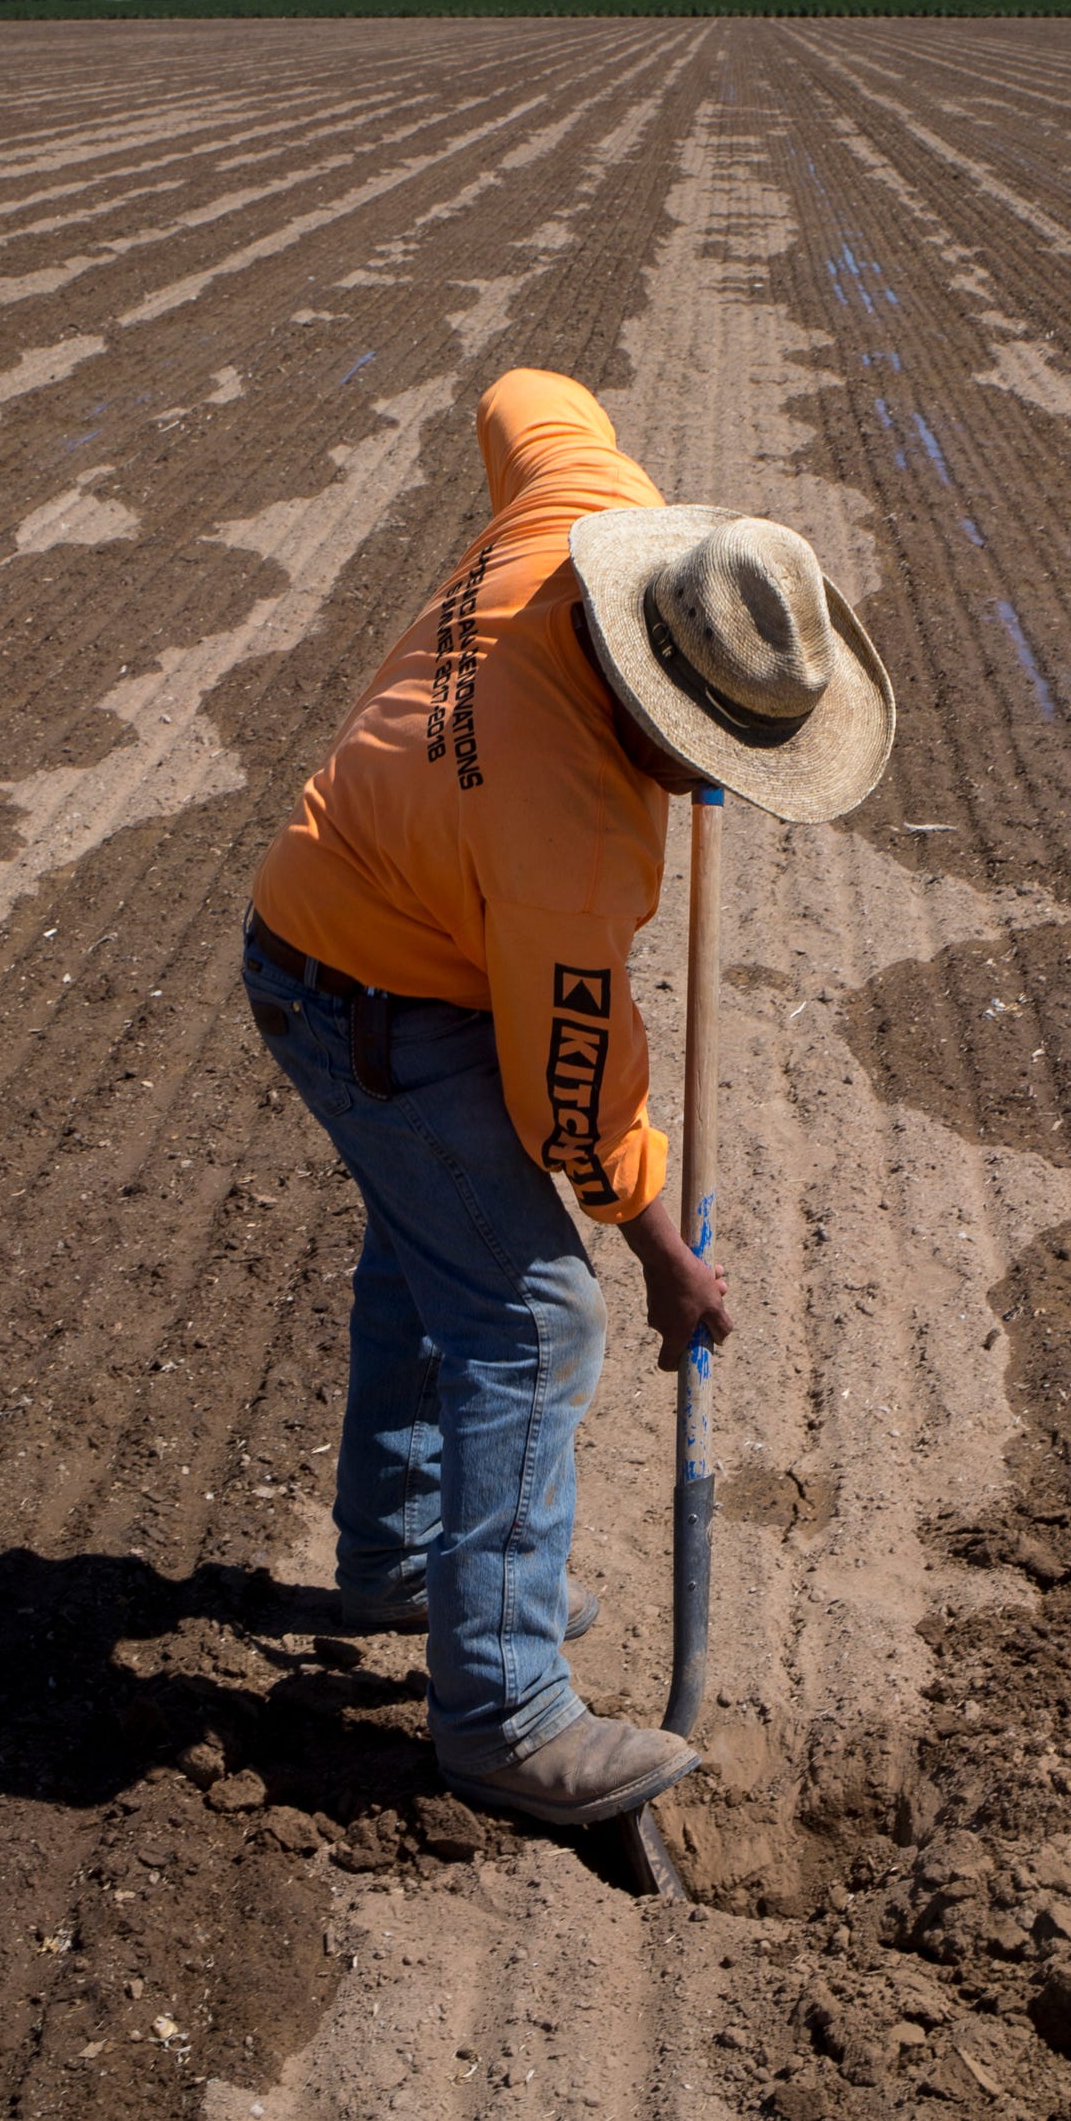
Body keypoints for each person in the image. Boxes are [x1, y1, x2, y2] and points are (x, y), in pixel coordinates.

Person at [243, 368, 895, 1826]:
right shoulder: (569, 841)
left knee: (437, 1256)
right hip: (370, 998)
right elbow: (575, 1114)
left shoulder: (588, 500)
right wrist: (670, 1263)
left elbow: (525, 394)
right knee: (534, 1320)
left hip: (339, 926)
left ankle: (409, 1556)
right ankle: (504, 1715)